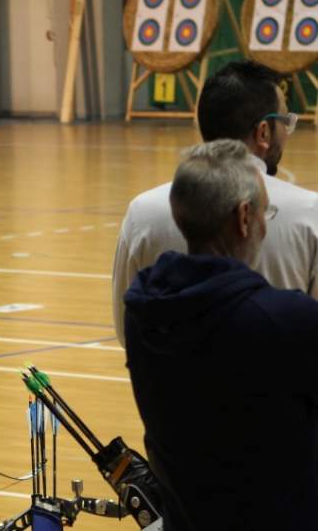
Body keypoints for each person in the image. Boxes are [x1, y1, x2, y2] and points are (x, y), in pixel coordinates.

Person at [124, 139, 318, 530]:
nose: (266, 223)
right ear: (245, 217)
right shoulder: (286, 320)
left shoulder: (143, 311)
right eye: (267, 211)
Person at [112, 60, 318, 345]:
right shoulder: (311, 213)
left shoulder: (143, 210)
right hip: (279, 386)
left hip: (168, 385)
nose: (287, 132)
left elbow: (128, 329)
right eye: (285, 121)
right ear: (263, 133)